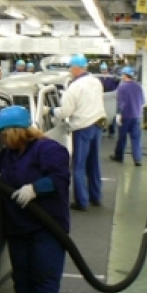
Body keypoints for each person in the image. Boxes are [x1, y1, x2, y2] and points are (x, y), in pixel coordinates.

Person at [0, 105, 70, 293]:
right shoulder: (9, 155)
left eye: (3, 134)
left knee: (44, 281)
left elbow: (60, 177)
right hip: (18, 227)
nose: (1, 139)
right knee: (22, 280)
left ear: (14, 132)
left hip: (47, 229)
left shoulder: (49, 150)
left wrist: (35, 188)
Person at [47, 54, 106, 211]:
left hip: (83, 127)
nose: (70, 71)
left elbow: (66, 112)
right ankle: (96, 196)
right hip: (98, 124)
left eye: (70, 68)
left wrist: (51, 111)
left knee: (79, 165)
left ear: (75, 68)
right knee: (94, 163)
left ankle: (82, 201)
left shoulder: (74, 87)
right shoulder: (96, 82)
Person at [110, 67, 146, 166]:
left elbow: (121, 102)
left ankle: (119, 156)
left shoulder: (122, 87)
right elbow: (143, 101)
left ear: (125, 75)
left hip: (125, 116)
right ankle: (137, 159)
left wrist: (119, 114)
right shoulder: (138, 86)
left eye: (122, 74)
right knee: (136, 139)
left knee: (122, 138)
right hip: (137, 116)